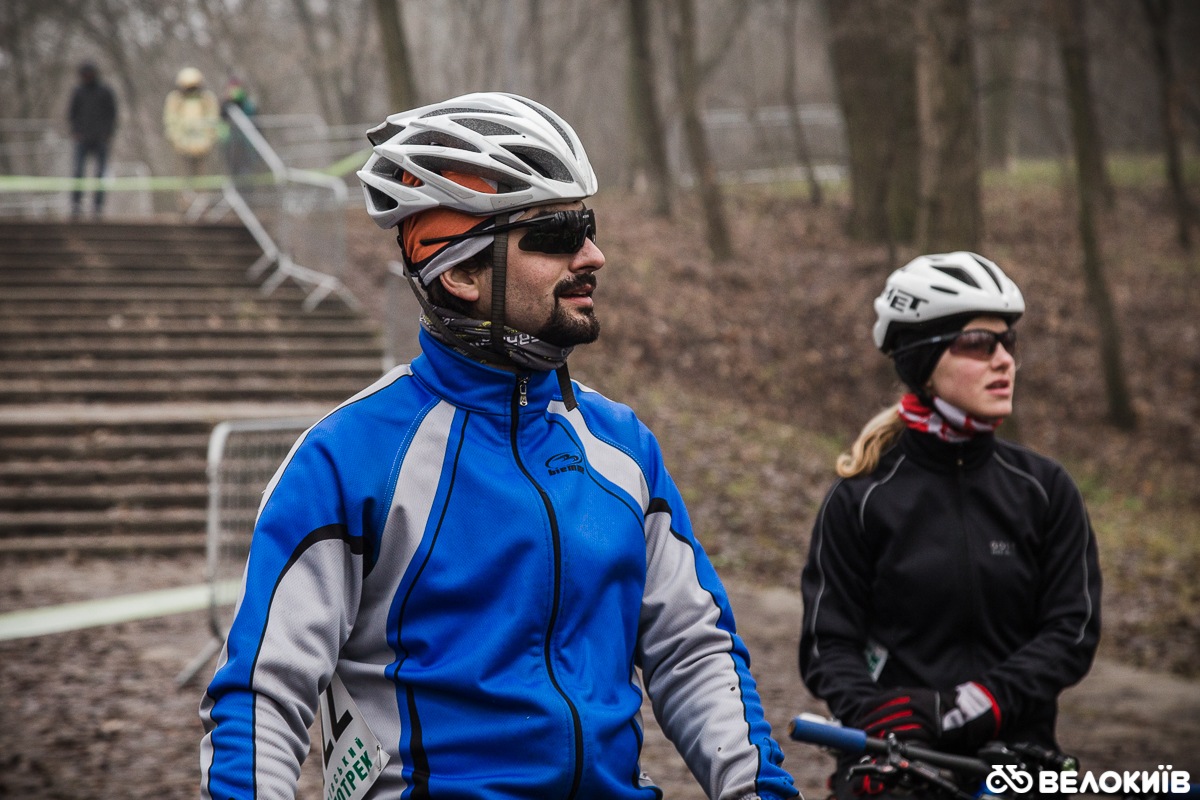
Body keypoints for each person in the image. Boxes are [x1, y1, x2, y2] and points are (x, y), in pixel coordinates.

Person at [200, 92, 799, 800]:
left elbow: (693, 653)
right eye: (557, 233)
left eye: (588, 226)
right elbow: (262, 698)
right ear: (459, 272)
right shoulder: (348, 461)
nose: (593, 255)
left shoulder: (621, 446)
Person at [798, 252, 1102, 798]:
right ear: (923, 360)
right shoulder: (861, 499)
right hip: (900, 762)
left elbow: (1070, 632)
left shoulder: (1044, 489)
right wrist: (878, 717)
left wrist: (976, 704)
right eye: (979, 344)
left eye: (1009, 343)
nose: (1004, 361)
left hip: (1018, 764)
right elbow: (828, 643)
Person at [162, 66, 220, 210]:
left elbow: (212, 120)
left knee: (202, 176)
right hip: (182, 145)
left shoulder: (206, 99)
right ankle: (184, 205)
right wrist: (177, 140)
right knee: (182, 177)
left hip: (202, 145)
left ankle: (202, 204)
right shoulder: (175, 100)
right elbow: (171, 121)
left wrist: (207, 140)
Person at [67, 61, 117, 218]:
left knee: (100, 173)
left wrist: (107, 133)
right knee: (78, 171)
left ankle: (98, 206)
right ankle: (76, 204)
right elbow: (72, 114)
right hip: (82, 139)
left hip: (101, 139)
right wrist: (76, 132)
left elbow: (112, 114)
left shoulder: (105, 91)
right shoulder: (78, 92)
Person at [218, 76, 257, 176]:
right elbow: (222, 116)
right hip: (231, 139)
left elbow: (252, 113)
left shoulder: (247, 104)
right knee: (233, 162)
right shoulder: (226, 105)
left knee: (247, 162)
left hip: (246, 138)